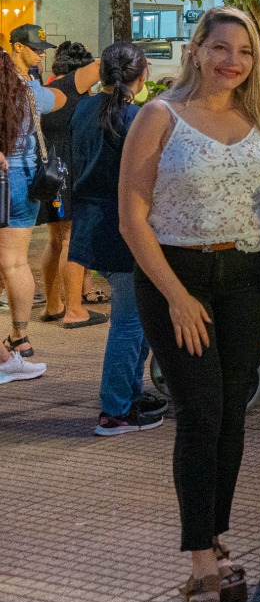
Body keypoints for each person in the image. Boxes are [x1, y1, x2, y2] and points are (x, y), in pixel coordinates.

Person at [119, 7, 260, 602]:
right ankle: (199, 562)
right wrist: (176, 295)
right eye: (220, 48)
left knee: (233, 412)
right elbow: (132, 215)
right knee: (199, 411)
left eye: (244, 51)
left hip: (249, 277)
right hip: (177, 275)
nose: (231, 61)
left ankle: (213, 537)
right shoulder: (159, 115)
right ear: (196, 50)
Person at [69, 42, 165, 435]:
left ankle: (129, 395)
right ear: (141, 78)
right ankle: (116, 411)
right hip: (127, 228)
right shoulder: (138, 117)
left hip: (91, 225)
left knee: (134, 320)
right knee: (129, 323)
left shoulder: (83, 109)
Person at [1, 24, 71, 359]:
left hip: (8, 177)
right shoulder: (30, 89)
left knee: (11, 264)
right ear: (16, 47)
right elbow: (60, 99)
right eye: (35, 48)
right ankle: (20, 338)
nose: (41, 53)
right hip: (27, 178)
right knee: (16, 263)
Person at [40, 40, 104, 328]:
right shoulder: (71, 86)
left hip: (51, 173)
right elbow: (105, 63)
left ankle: (53, 305)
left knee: (56, 241)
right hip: (67, 172)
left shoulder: (50, 89)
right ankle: (75, 310)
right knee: (70, 240)